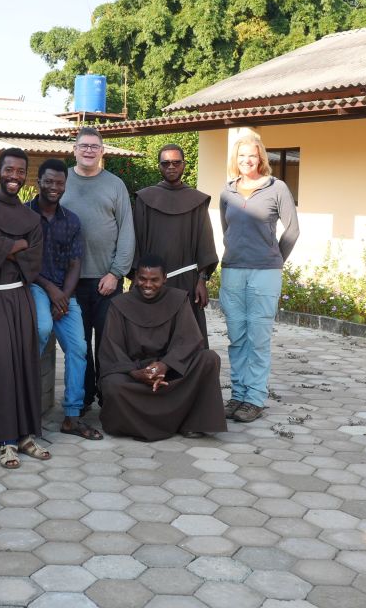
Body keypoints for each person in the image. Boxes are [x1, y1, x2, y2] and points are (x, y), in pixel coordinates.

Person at [0, 148, 50, 469]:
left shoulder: (31, 217)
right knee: (0, 367)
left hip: (20, 297)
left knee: (24, 365)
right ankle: (6, 439)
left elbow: (34, 258)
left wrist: (5, 247)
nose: (14, 176)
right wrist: (17, 245)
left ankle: (26, 435)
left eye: (20, 171)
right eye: (9, 170)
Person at [98, 255, 227, 441]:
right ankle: (172, 421)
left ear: (165, 278)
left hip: (170, 372)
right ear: (135, 278)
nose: (147, 284)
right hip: (134, 374)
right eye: (142, 279)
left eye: (154, 280)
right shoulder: (120, 304)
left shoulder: (178, 299)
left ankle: (192, 423)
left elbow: (188, 340)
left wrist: (165, 365)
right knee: (112, 384)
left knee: (209, 359)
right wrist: (136, 373)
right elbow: (112, 347)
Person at [219, 131, 300, 423]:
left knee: (258, 337)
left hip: (265, 272)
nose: (247, 160)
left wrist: (274, 258)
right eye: (242, 156)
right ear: (236, 159)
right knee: (237, 337)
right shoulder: (227, 191)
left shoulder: (277, 188)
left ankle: (254, 398)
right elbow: (227, 231)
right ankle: (238, 395)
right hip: (232, 271)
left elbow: (292, 231)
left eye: (252, 155)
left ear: (260, 158)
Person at [60, 126, 135, 415]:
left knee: (108, 344)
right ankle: (82, 398)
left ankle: (109, 397)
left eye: (94, 146)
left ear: (102, 151)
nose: (89, 150)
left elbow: (127, 232)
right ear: (75, 150)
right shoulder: (62, 180)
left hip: (106, 280)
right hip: (70, 283)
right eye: (84, 145)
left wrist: (116, 273)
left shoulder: (115, 185)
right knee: (78, 345)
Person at [25, 158, 102, 441]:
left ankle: (72, 415)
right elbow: (23, 263)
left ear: (65, 186)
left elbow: (75, 264)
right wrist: (52, 291)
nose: (54, 187)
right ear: (38, 183)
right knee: (42, 328)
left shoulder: (71, 220)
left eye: (59, 183)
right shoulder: (24, 215)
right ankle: (24, 408)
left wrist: (64, 298)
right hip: (34, 287)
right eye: (49, 182)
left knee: (79, 347)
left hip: (64, 292)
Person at [133, 144, 218, 342]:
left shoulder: (197, 201)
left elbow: (205, 242)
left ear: (184, 165)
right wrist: (138, 277)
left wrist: (202, 280)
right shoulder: (145, 199)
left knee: (187, 337)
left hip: (187, 282)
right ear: (159, 166)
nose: (171, 166)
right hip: (151, 281)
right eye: (166, 163)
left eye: (176, 162)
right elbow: (136, 240)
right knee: (152, 336)